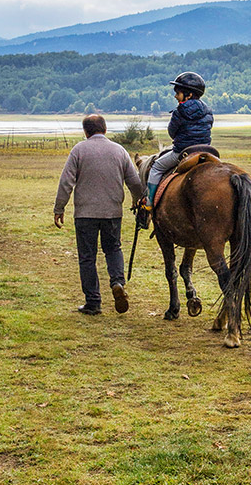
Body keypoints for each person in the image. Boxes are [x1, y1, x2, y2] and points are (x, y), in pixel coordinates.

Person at [54, 113, 144, 315]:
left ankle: (93, 302)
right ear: (105, 129)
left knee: (87, 257)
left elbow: (66, 182)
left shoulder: (79, 150)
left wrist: (59, 208)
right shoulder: (119, 151)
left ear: (86, 132)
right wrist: (139, 201)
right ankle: (117, 282)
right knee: (113, 249)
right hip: (112, 212)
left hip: (85, 214)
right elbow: (135, 183)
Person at [140, 71, 214, 219]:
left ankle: (149, 202)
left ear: (189, 95)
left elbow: (172, 133)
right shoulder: (208, 110)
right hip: (206, 151)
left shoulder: (179, 111)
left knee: (156, 167)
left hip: (183, 152)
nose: (175, 96)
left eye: (178, 93)